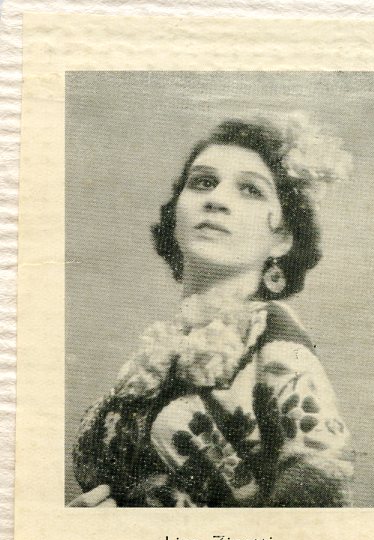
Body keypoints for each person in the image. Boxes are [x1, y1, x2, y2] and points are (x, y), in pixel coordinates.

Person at [69, 116, 354, 508]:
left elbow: (322, 480)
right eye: (203, 182)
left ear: (282, 239)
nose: (216, 200)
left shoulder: (273, 341)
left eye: (251, 190)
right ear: (176, 216)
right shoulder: (150, 358)